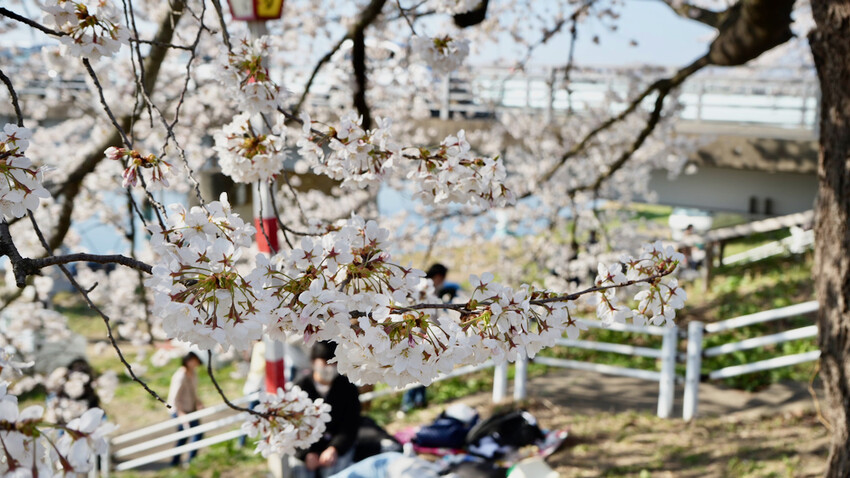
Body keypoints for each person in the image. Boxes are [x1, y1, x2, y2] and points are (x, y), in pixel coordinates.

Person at [292, 342, 361, 478]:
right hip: (305, 446)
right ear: (313, 362)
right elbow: (293, 425)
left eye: (334, 363)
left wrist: (335, 448)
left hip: (336, 447)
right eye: (325, 362)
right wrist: (305, 453)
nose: (330, 368)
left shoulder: (348, 388)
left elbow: (350, 424)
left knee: (335, 473)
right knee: (300, 472)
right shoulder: (299, 387)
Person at [167, 352, 204, 467]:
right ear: (188, 361)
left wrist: (198, 402)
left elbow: (193, 391)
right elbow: (174, 397)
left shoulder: (193, 373)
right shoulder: (180, 375)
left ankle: (180, 462)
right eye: (194, 361)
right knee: (189, 435)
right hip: (180, 410)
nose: (196, 363)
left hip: (190, 408)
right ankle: (184, 461)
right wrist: (180, 413)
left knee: (188, 435)